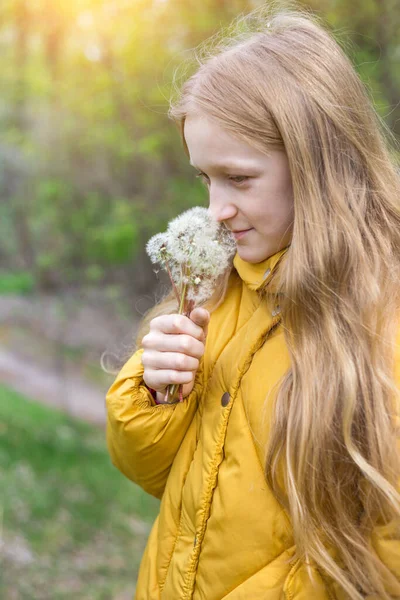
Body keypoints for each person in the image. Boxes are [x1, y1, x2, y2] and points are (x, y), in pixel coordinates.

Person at [105, 4, 400, 599]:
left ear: (320, 167)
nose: (216, 210)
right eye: (204, 179)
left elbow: (382, 551)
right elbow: (160, 478)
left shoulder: (381, 321)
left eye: (238, 179)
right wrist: (158, 393)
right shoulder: (220, 289)